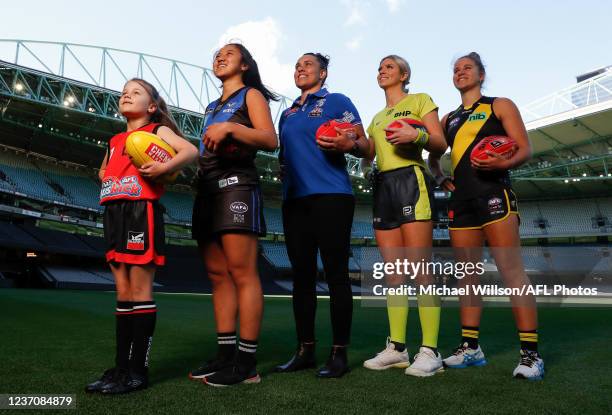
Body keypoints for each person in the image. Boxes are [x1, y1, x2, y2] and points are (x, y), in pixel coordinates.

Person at [429, 52, 544, 380]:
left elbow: (524, 148)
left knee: (512, 274)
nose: (460, 72)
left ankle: (531, 355)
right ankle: (470, 349)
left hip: (495, 197)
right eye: (456, 69)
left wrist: (501, 164)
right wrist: (439, 178)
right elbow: (433, 156)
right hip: (461, 202)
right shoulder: (448, 119)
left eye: (467, 68)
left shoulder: (499, 105)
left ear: (481, 74)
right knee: (467, 277)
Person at [87, 78, 198, 394]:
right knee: (122, 291)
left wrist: (165, 168)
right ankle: (120, 368)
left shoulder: (155, 132)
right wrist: (110, 179)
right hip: (113, 212)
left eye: (135, 92)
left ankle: (138, 371)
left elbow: (189, 151)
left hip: (140, 211)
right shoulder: (115, 139)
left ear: (151, 106)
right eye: (124, 92)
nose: (126, 94)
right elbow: (103, 171)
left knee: (139, 290)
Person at [188, 43, 278, 387]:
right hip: (207, 189)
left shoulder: (250, 95)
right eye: (216, 54)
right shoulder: (212, 106)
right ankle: (225, 354)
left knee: (242, 273)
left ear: (244, 63)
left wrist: (231, 129)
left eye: (228, 53)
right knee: (217, 275)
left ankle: (246, 363)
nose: (219, 57)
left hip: (235, 185)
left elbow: (270, 139)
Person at [274, 53, 369, 378]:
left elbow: (366, 146)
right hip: (294, 201)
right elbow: (283, 159)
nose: (300, 68)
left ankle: (339, 353)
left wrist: (349, 142)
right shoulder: (286, 114)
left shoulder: (336, 101)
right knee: (301, 278)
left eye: (308, 64)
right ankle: (305, 350)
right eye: (297, 64)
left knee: (336, 274)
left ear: (323, 73)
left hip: (332, 196)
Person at [360, 55, 448, 377]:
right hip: (383, 186)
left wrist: (417, 137)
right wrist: (349, 142)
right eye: (379, 67)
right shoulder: (376, 118)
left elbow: (439, 141)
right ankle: (397, 349)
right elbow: (368, 152)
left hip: (411, 180)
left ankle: (431, 351)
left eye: (389, 67)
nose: (382, 70)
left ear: (404, 74)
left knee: (420, 269)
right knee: (394, 274)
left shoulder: (420, 100)